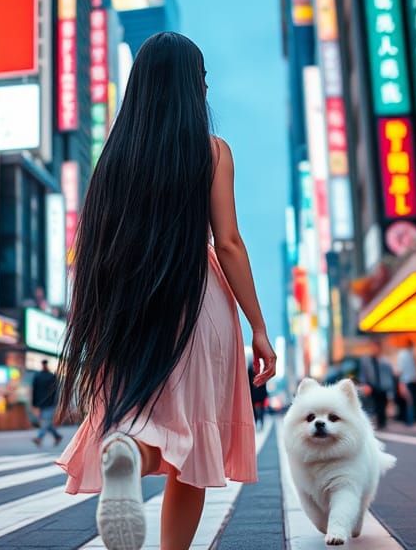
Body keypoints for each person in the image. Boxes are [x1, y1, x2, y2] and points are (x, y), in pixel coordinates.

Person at [56, 32, 276, 550]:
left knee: (139, 420)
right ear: (190, 87)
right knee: (193, 449)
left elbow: (90, 243)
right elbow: (230, 243)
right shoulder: (212, 152)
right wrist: (259, 327)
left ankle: (127, 456)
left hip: (128, 302)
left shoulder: (112, 159)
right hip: (199, 302)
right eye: (201, 78)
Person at [360, 347, 396, 430]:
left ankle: (383, 423)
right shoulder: (368, 361)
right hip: (373, 386)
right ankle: (378, 423)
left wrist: (390, 389)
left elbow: (389, 375)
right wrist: (364, 384)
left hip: (383, 386)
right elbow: (363, 374)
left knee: (383, 405)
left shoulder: (385, 361)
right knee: (375, 405)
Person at [31, 360, 63, 447]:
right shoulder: (50, 376)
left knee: (45, 422)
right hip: (47, 403)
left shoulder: (39, 376)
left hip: (46, 404)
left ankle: (39, 438)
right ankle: (57, 436)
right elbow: (55, 391)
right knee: (46, 422)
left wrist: (34, 403)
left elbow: (34, 391)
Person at [395, 339, 416, 427]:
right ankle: (410, 420)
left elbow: (399, 371)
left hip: (406, 381)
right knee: (410, 401)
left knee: (408, 401)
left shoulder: (403, 354)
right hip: (411, 381)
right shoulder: (410, 354)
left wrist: (400, 383)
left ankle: (409, 420)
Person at [247, 362, 269, 430]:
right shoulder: (259, 372)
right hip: (257, 394)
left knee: (256, 410)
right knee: (258, 410)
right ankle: (258, 423)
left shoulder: (251, 371)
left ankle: (257, 423)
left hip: (255, 394)